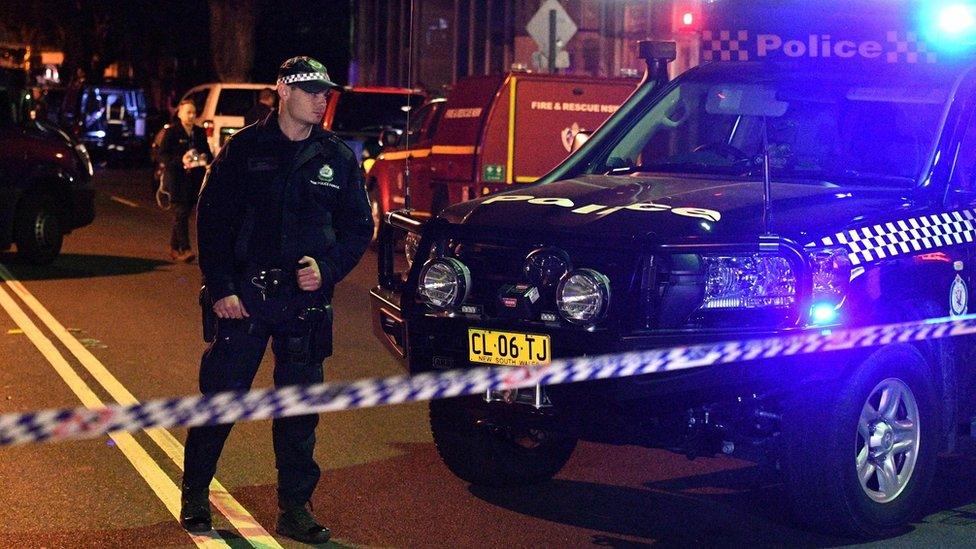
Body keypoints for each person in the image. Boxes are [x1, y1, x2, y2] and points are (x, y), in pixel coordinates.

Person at [180, 56, 373, 544]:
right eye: (311, 90)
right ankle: (196, 495)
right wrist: (221, 286)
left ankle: (294, 510)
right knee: (221, 402)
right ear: (283, 91)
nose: (321, 99)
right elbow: (213, 220)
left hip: (303, 306)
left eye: (325, 92)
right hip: (244, 299)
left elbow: (358, 227)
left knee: (298, 414)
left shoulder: (336, 156)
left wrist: (327, 270)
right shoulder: (245, 149)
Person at [159, 99, 211, 262]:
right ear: (180, 114)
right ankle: (185, 248)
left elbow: (207, 152)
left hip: (194, 179)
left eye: (193, 113)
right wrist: (180, 161)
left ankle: (174, 247)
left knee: (185, 213)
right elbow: (163, 155)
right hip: (177, 179)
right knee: (180, 213)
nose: (191, 116)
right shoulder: (172, 132)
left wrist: (204, 159)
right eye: (188, 112)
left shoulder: (199, 132)